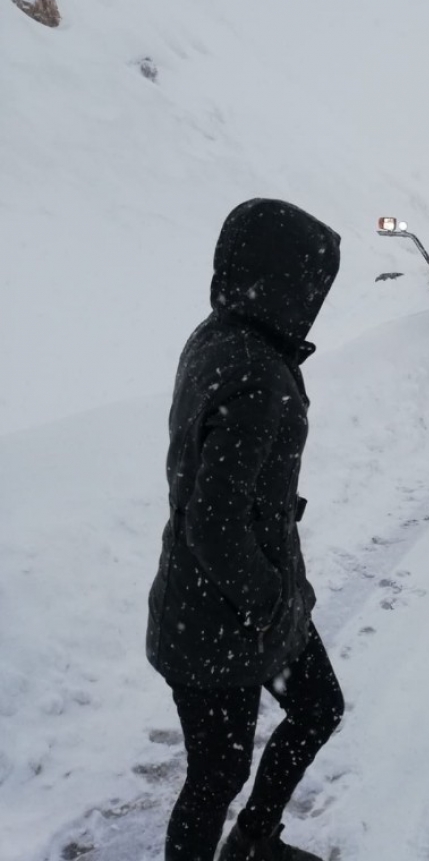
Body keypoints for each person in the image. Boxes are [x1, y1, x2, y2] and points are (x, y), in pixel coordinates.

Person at [146, 198, 344, 861]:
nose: (317, 297)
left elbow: (223, 487)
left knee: (317, 706)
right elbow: (213, 522)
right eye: (314, 282)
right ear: (287, 281)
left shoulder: (222, 335)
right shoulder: (258, 370)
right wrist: (264, 603)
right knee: (215, 776)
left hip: (238, 605)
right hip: (219, 620)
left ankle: (254, 841)